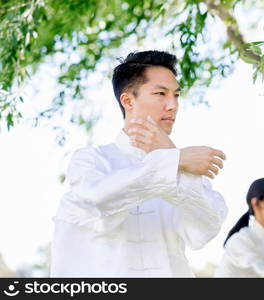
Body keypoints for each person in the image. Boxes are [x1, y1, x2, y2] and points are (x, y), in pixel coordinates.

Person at [50, 50, 228, 277]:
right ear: (127, 100)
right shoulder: (91, 160)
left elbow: (203, 231)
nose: (172, 105)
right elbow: (100, 201)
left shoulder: (182, 165)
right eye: (160, 93)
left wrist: (171, 157)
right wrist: (173, 159)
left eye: (176, 95)